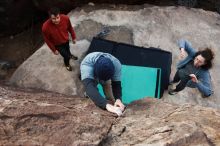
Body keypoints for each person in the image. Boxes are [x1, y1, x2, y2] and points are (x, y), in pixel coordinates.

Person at [80, 52, 125, 116]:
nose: (102, 81)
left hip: (104, 75)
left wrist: (118, 99)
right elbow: (89, 86)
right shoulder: (87, 64)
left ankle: (113, 102)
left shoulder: (116, 64)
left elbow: (116, 84)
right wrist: (106, 105)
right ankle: (89, 96)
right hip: (94, 76)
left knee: (110, 96)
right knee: (91, 91)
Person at [42, 7, 78, 71]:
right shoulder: (45, 27)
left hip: (66, 40)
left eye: (57, 17)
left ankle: (70, 55)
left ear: (59, 15)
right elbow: (47, 40)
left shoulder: (65, 18)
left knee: (68, 49)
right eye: (53, 18)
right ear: (50, 17)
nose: (56, 20)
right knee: (66, 56)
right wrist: (54, 50)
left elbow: (70, 28)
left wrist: (74, 37)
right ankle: (67, 64)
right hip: (58, 45)